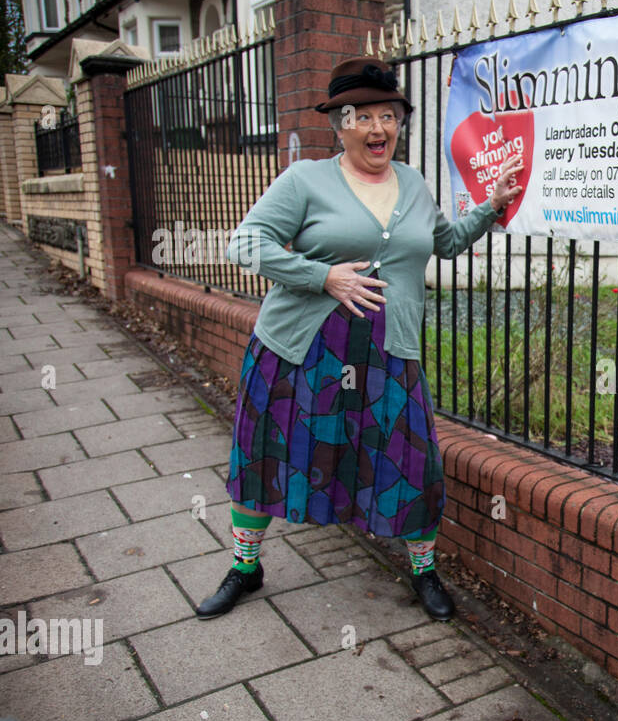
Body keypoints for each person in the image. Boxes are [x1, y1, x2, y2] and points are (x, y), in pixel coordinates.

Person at [197, 56, 523, 622]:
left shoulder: (414, 184)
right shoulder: (305, 181)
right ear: (339, 125)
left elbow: (444, 242)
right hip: (299, 350)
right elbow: (244, 244)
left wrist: (490, 206)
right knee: (266, 456)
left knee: (412, 461)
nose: (379, 128)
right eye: (364, 116)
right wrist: (322, 276)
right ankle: (245, 567)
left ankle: (423, 570)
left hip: (387, 354)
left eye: (389, 116)